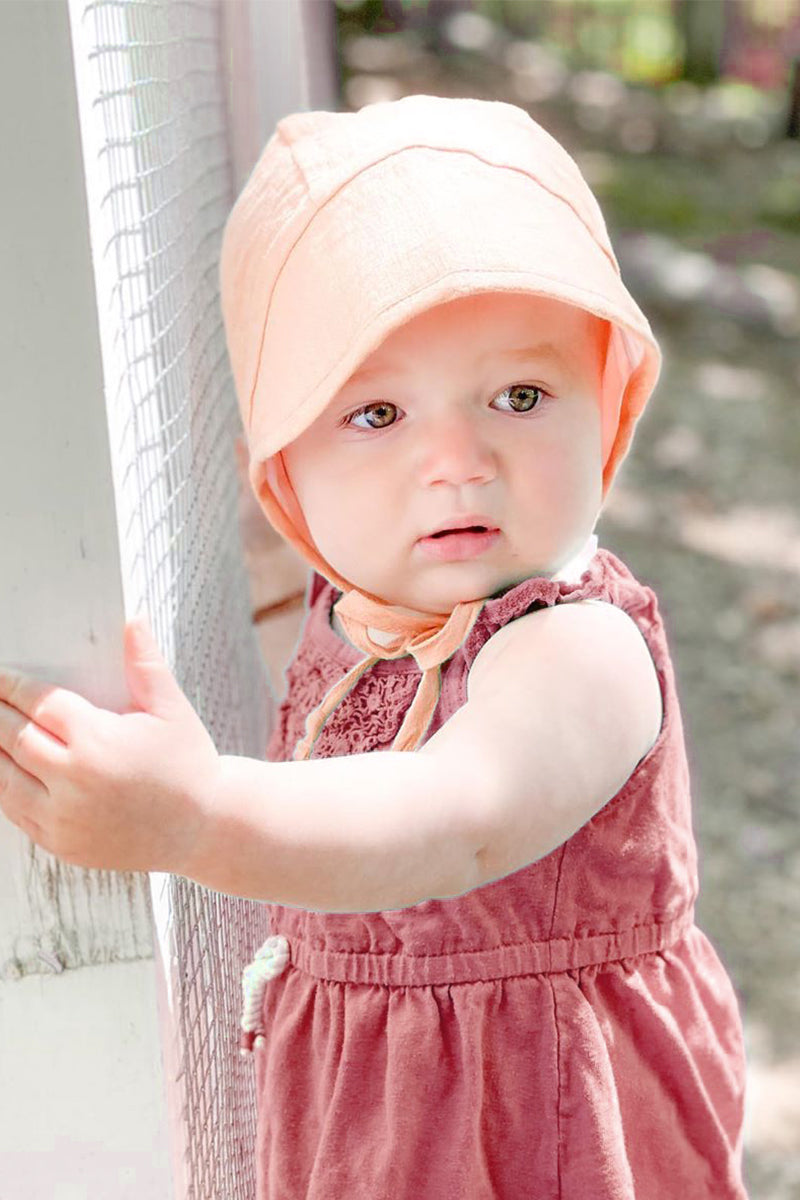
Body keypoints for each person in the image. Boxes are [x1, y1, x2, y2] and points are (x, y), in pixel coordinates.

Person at [0, 95, 748, 1198]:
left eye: (520, 394)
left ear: (609, 401)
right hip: (380, 1125)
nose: (456, 460)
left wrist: (196, 815)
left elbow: (461, 818)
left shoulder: (572, 642)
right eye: (376, 416)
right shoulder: (348, 599)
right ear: (285, 468)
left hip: (539, 1130)